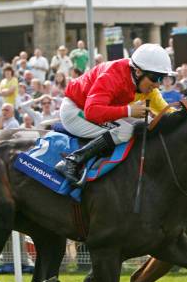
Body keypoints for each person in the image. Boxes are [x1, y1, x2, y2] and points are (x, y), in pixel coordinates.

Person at [55, 43, 174, 185]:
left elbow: (167, 112)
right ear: (138, 72)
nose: (158, 85)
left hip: (89, 108)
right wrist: (128, 111)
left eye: (162, 78)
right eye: (156, 78)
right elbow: (91, 111)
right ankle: (71, 161)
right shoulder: (112, 75)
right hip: (75, 111)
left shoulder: (144, 83)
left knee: (146, 122)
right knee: (125, 130)